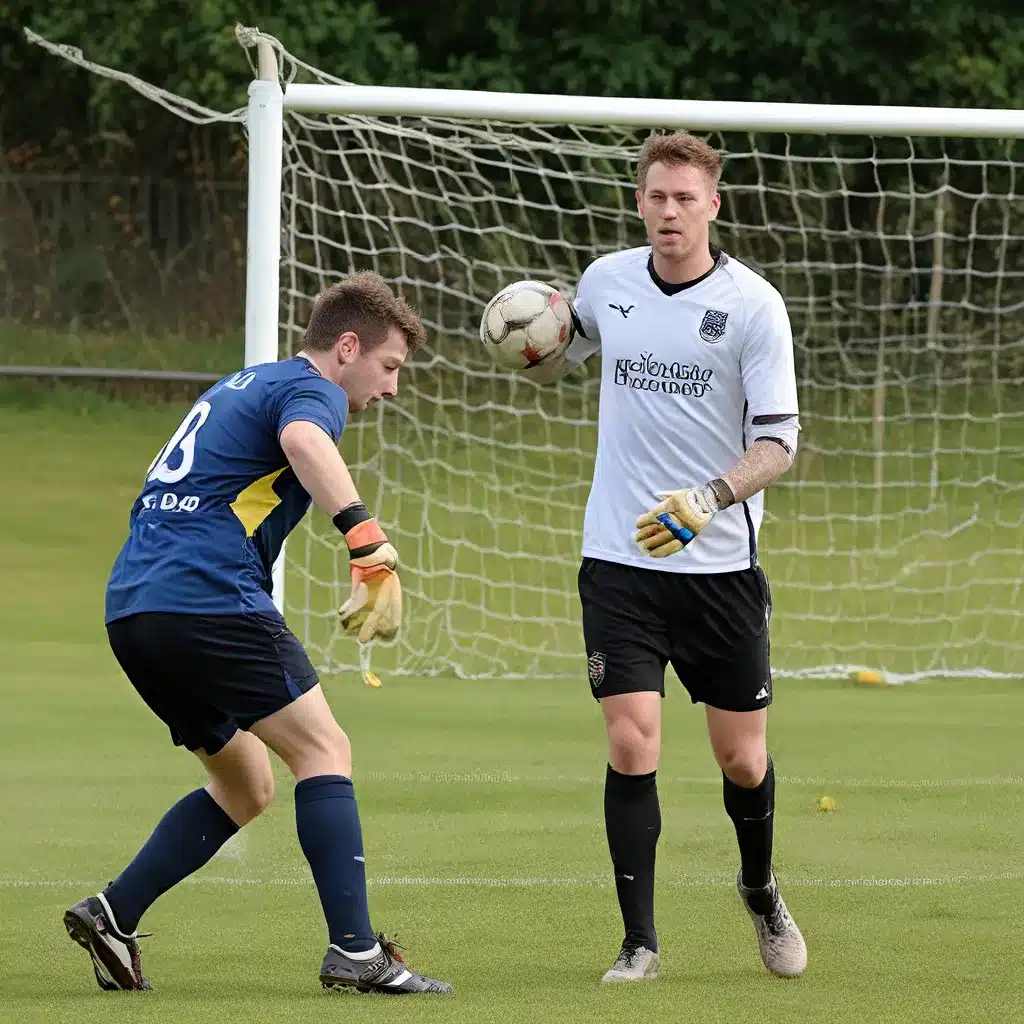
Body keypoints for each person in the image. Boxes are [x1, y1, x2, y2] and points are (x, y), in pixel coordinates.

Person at [63, 272, 451, 996]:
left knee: (246, 783)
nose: (391, 388)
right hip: (205, 596)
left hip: (134, 609)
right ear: (346, 346)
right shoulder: (313, 393)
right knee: (325, 749)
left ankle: (113, 913)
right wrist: (365, 540)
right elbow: (304, 438)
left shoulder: (241, 384)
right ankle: (357, 954)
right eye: (389, 367)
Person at [524, 131, 807, 982]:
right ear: (639, 201)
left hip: (718, 566)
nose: (669, 212)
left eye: (686, 198)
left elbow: (781, 443)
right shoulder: (607, 283)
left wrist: (708, 499)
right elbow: (559, 352)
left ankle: (759, 888)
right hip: (619, 558)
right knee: (630, 742)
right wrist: (528, 335)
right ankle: (639, 943)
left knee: (742, 760)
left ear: (713, 206)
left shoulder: (754, 306)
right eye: (657, 197)